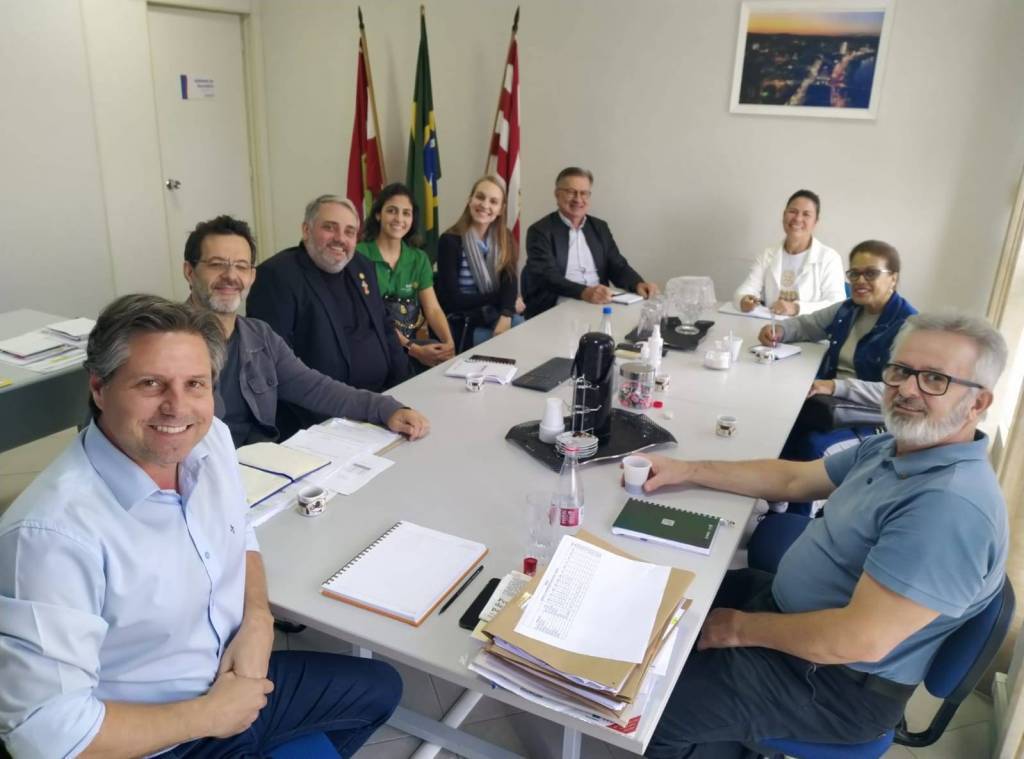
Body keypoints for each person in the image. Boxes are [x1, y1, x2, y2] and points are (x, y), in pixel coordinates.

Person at [0, 295, 401, 758]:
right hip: (152, 737)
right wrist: (209, 716)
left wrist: (258, 619)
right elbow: (47, 736)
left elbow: (240, 530)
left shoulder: (211, 440)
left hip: (234, 681)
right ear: (99, 388)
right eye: (151, 384)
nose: (177, 408)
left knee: (380, 689)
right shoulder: (49, 535)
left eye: (195, 384)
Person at [641, 312, 1008, 759]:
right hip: (792, 615)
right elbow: (794, 480)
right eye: (901, 371)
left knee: (649, 709)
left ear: (977, 403)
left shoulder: (949, 507)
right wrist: (686, 470)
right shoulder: (895, 447)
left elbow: (855, 640)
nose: (908, 389)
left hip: (834, 682)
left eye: (935, 379)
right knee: (666, 593)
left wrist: (736, 628)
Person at [183, 215, 429, 447]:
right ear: (189, 272)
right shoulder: (168, 342)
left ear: (251, 276)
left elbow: (317, 388)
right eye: (217, 264)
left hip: (264, 465)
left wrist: (386, 409)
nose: (230, 276)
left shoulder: (260, 336)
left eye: (241, 266)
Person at [247, 195, 411, 438]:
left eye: (349, 231)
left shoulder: (362, 266)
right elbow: (277, 369)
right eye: (329, 227)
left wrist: (406, 390)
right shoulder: (277, 276)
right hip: (326, 419)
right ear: (306, 230)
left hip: (383, 405)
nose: (340, 239)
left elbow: (385, 329)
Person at [760, 240, 917, 466]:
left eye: (871, 273)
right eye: (854, 274)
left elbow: (899, 391)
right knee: (775, 419)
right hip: (830, 404)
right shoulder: (848, 309)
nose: (860, 281)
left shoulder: (909, 327)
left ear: (893, 277)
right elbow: (808, 324)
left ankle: (795, 489)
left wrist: (836, 386)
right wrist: (779, 330)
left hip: (872, 419)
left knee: (811, 446)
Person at [522, 167, 658, 318]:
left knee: (643, 321)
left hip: (600, 302)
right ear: (557, 194)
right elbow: (547, 276)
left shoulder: (600, 227)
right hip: (558, 303)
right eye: (571, 192)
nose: (578, 199)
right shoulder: (540, 231)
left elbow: (617, 265)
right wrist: (584, 292)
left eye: (584, 193)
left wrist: (637, 283)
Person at [355, 183, 456, 369]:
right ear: (378, 214)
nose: (399, 219)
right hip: (372, 343)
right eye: (391, 211)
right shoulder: (358, 255)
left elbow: (432, 309)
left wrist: (449, 343)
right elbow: (373, 318)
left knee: (442, 357)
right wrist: (415, 350)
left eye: (406, 213)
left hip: (409, 344)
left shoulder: (419, 258)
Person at [436, 175, 524, 346]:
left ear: (501, 209)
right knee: (512, 339)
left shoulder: (505, 237)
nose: (485, 205)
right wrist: (504, 299)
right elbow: (453, 299)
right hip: (465, 321)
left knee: (519, 327)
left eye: (493, 201)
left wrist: (506, 314)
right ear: (470, 200)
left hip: (494, 314)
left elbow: (510, 282)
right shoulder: (450, 241)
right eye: (480, 197)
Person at [734, 189, 846, 316]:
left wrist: (797, 308)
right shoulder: (767, 255)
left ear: (815, 222)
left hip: (811, 328)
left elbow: (837, 304)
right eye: (793, 211)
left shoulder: (829, 258)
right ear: (784, 215)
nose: (798, 218)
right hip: (771, 325)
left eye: (806, 214)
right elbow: (744, 291)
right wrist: (744, 300)